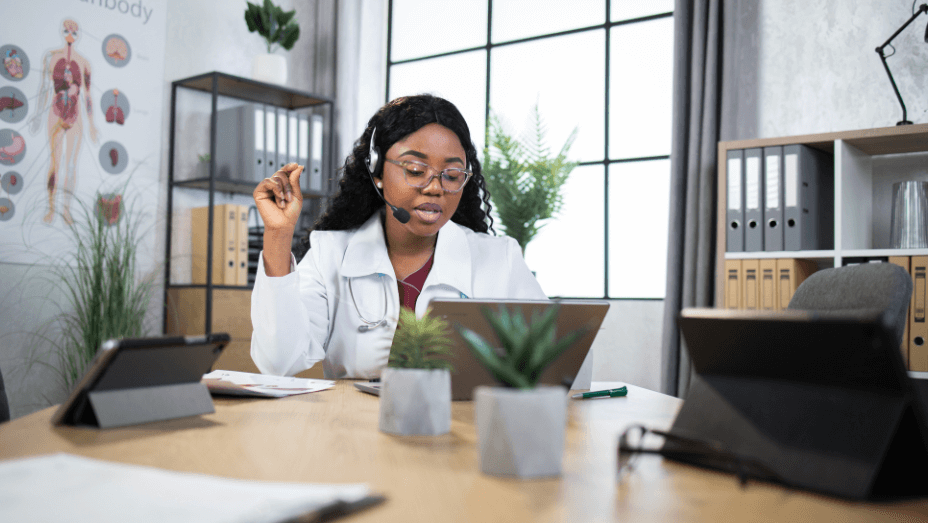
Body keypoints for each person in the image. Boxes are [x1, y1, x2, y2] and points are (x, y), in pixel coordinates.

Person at [250, 94, 546, 379]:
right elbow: (279, 362)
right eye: (416, 170)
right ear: (377, 171)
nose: (435, 188)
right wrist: (278, 234)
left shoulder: (500, 258)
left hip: (461, 426)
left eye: (452, 175)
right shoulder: (330, 254)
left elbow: (555, 362)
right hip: (354, 426)